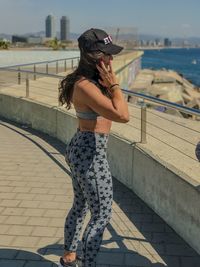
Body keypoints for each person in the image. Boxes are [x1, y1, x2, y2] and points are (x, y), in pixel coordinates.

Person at [58, 28, 129, 267]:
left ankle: (69, 257)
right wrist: (115, 85)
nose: (111, 59)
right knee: (102, 215)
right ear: (92, 55)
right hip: (90, 154)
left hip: (82, 149)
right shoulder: (86, 86)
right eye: (107, 54)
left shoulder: (88, 82)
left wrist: (108, 84)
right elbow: (123, 115)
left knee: (80, 205)